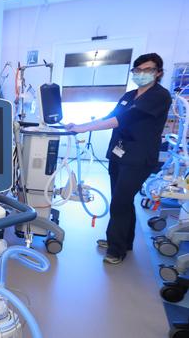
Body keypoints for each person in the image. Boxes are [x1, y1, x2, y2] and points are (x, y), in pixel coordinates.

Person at [66, 53, 171, 265]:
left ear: (158, 72)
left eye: (148, 70)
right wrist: (77, 124)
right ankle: (124, 241)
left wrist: (83, 129)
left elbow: (122, 120)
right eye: (138, 70)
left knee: (120, 202)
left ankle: (116, 249)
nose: (142, 74)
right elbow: (110, 116)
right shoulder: (130, 95)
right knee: (123, 199)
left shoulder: (159, 96)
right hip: (119, 153)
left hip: (139, 158)